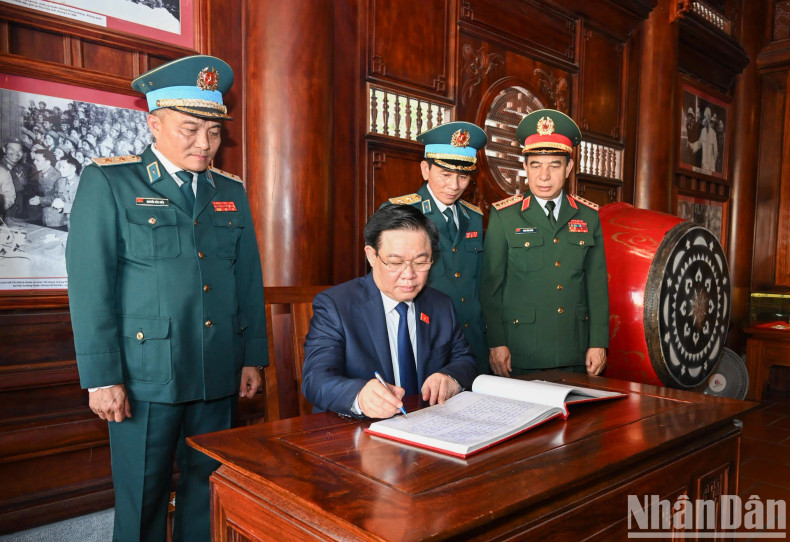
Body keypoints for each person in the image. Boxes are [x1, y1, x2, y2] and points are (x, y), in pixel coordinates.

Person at [66, 55, 268, 542]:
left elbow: (247, 281)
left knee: (207, 489)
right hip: (144, 374)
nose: (205, 143)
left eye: (215, 131)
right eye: (191, 128)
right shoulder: (112, 181)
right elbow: (90, 285)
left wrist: (251, 358)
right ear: (154, 122)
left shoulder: (229, 191)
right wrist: (101, 378)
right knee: (143, 495)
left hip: (217, 367)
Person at [302, 204, 477, 418]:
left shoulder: (440, 305)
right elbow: (316, 379)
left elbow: (465, 359)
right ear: (372, 256)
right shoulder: (336, 306)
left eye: (421, 262)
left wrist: (451, 377)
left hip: (429, 425)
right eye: (395, 262)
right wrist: (359, 396)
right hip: (358, 433)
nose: (409, 274)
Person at [481, 109, 609, 377]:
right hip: (521, 351)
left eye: (554, 165)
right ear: (525, 167)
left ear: (569, 167)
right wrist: (496, 342)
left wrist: (598, 342)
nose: (544, 176)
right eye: (536, 165)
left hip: (575, 347)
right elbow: (491, 287)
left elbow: (596, 285)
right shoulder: (504, 216)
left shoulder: (589, 216)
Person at [384, 121, 490, 373]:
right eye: (445, 174)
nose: (454, 186)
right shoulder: (401, 213)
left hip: (472, 341)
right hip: (424, 339)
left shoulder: (473, 216)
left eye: (463, 176)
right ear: (425, 169)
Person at [689, 106, 718, 172]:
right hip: (704, 167)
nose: (704, 119)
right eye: (704, 117)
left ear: (709, 117)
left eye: (706, 117)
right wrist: (691, 146)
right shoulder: (703, 131)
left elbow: (715, 151)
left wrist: (713, 165)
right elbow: (699, 143)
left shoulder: (713, 133)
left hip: (711, 168)